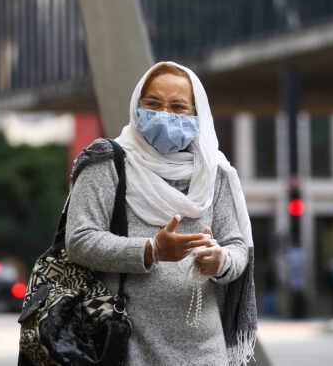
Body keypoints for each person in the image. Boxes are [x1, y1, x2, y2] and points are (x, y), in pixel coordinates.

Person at [66, 61, 257, 366]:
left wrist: (220, 260)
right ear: (137, 106)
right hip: (124, 341)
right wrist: (151, 250)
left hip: (204, 348)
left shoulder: (215, 171)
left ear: (197, 114)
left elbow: (236, 246)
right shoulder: (107, 161)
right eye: (153, 104)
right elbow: (79, 239)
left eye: (178, 106)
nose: (165, 114)